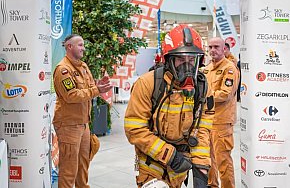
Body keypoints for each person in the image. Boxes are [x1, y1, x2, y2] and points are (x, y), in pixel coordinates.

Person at [124, 25, 215, 188]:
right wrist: (170, 155)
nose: (187, 66)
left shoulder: (202, 88)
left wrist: (201, 169)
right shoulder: (148, 83)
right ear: (168, 59)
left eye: (191, 60)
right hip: (151, 163)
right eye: (181, 59)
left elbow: (202, 131)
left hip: (180, 167)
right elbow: (134, 129)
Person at [52, 34, 112, 188]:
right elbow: (71, 96)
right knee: (69, 169)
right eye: (80, 45)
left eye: (83, 44)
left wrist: (99, 85)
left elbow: (89, 88)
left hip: (83, 124)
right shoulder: (63, 70)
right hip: (68, 125)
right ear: (69, 47)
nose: (83, 48)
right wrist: (96, 90)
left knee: (82, 166)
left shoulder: (83, 66)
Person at [204, 37, 239, 188]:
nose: (213, 50)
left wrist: (203, 95)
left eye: (216, 47)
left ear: (224, 48)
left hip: (222, 122)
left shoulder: (229, 68)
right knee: (208, 160)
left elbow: (225, 94)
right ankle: (212, 186)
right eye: (210, 47)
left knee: (223, 161)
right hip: (206, 121)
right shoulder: (206, 69)